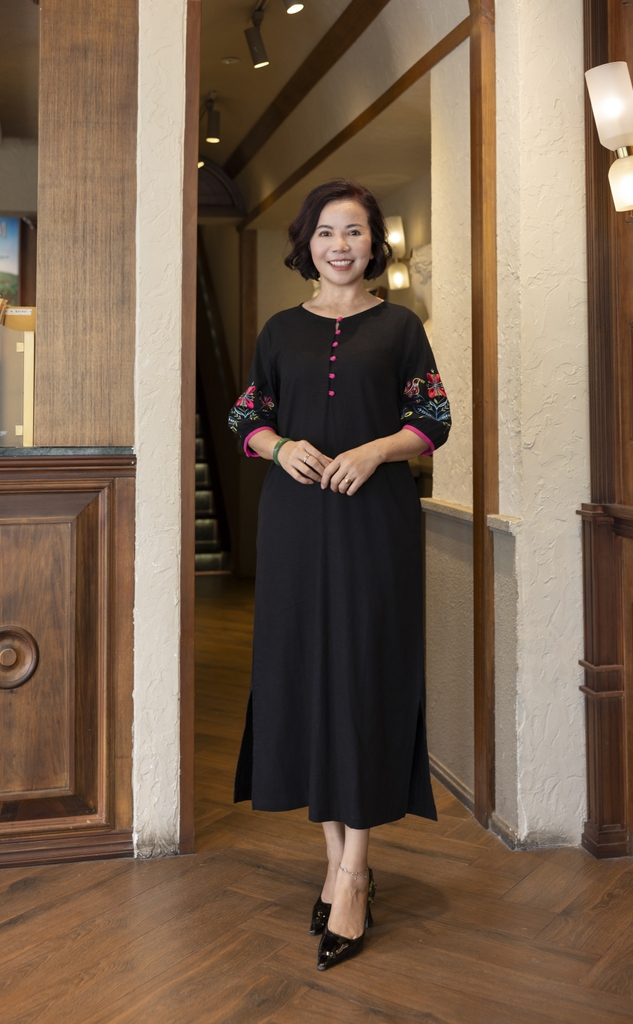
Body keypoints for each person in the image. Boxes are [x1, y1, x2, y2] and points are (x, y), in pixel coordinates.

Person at [228, 179, 451, 970]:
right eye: (326, 232)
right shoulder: (280, 330)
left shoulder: (400, 328)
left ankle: (355, 871)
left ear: (372, 243)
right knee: (303, 677)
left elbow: (432, 420)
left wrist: (374, 451)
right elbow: (245, 416)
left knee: (361, 677)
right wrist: (279, 447)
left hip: (372, 525)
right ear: (307, 242)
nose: (339, 245)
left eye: (353, 231)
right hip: (293, 528)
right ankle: (334, 859)